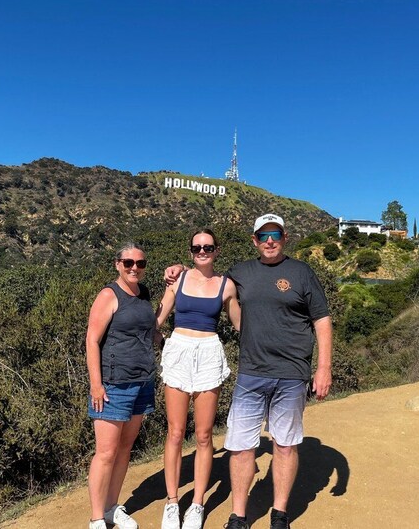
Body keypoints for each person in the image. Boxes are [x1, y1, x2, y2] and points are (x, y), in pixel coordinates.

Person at [165, 214, 333, 529]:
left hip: (292, 372)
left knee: (284, 444)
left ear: (285, 237)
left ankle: (279, 514)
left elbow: (322, 320)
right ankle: (238, 515)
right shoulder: (240, 273)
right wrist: (179, 270)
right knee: (241, 446)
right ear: (254, 240)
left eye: (276, 234)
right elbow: (206, 276)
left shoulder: (301, 272)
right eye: (263, 235)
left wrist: (323, 368)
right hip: (251, 373)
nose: (270, 240)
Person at [155, 229, 241, 529]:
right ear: (190, 250)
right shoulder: (177, 279)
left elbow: (239, 322)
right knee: (175, 432)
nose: (202, 251)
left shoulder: (226, 285)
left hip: (208, 353)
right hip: (179, 349)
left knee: (204, 436)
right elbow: (159, 316)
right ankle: (171, 502)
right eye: (196, 247)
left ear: (217, 251)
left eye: (207, 247)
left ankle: (197, 504)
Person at [86, 243, 158, 529]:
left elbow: (151, 329)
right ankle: (95, 518)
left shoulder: (143, 294)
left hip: (142, 381)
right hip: (113, 384)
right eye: (128, 263)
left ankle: (111, 507)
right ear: (117, 264)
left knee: (125, 448)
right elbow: (92, 340)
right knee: (105, 453)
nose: (134, 268)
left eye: (140, 264)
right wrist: (96, 384)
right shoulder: (108, 295)